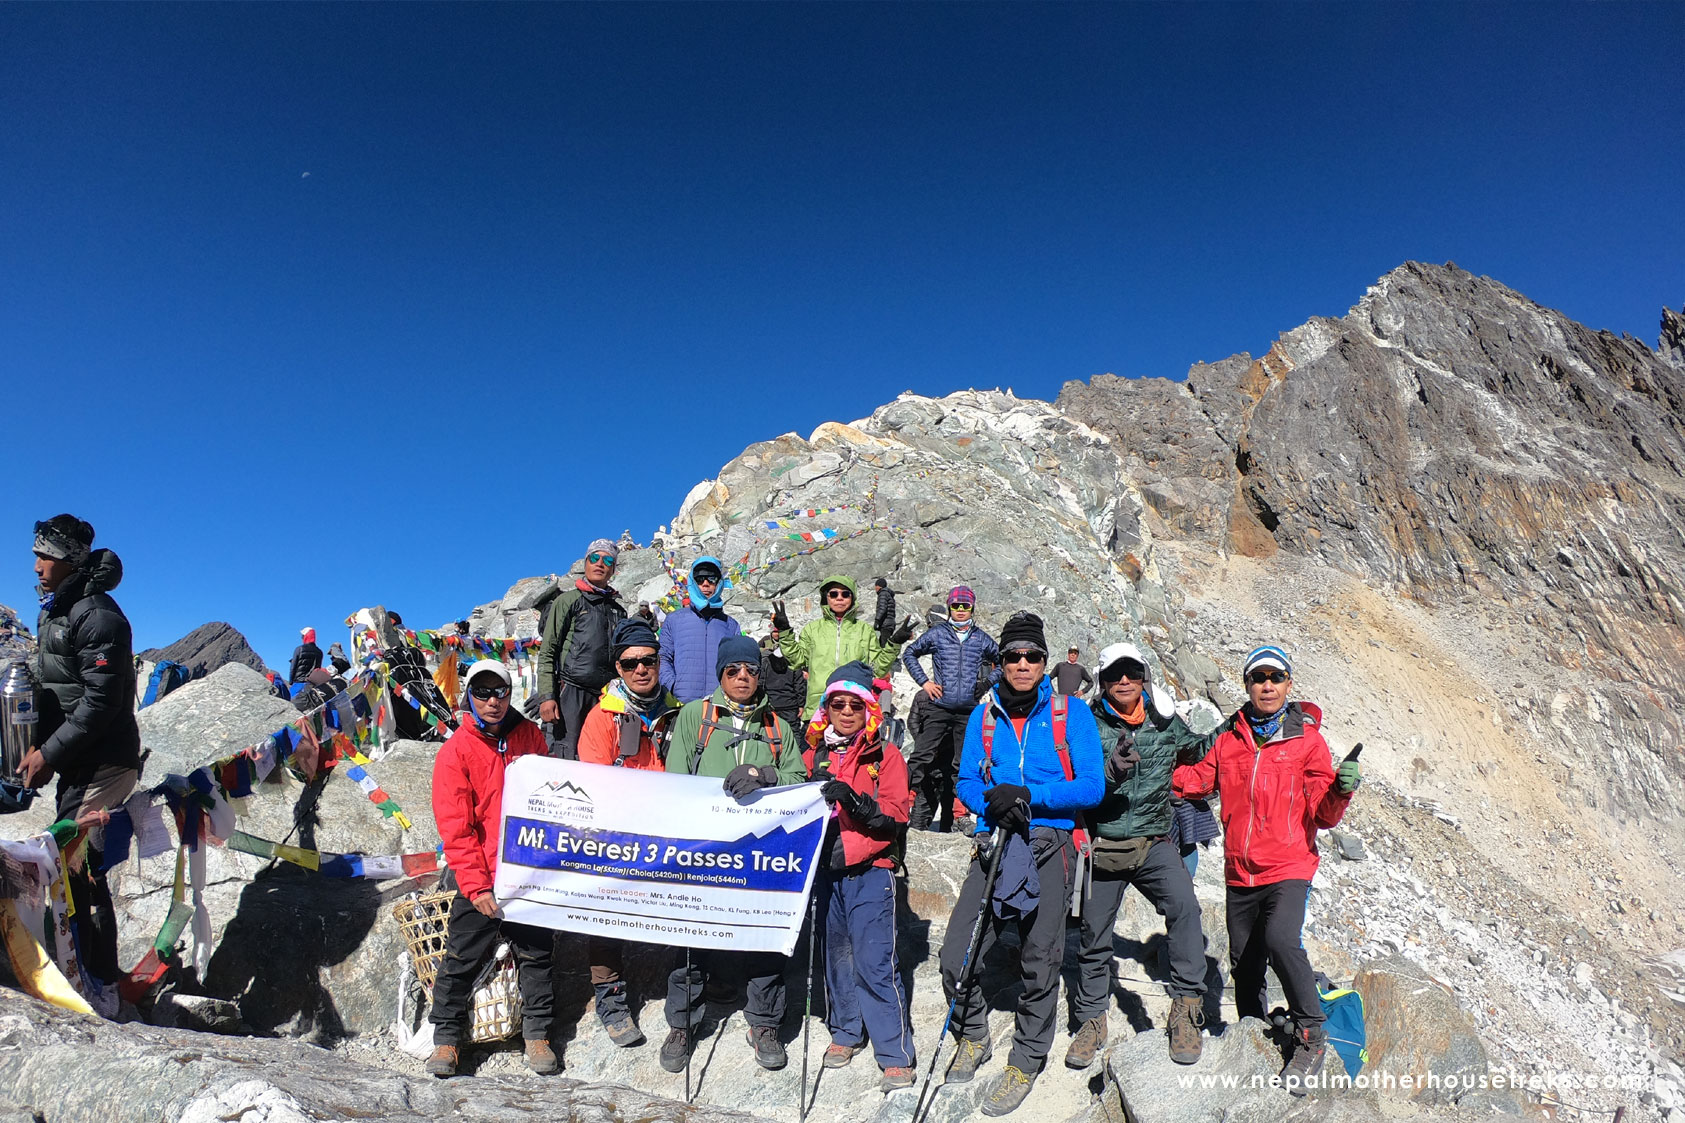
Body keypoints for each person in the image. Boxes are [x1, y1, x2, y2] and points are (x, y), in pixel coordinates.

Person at [1172, 645, 1362, 1094]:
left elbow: (1324, 814)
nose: (1267, 685)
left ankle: (1312, 1033)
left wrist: (1339, 789)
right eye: (1258, 678)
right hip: (1240, 871)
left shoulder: (1307, 742)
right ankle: (1254, 1033)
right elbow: (1197, 779)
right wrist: (1151, 770)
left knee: (1279, 939)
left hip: (1289, 864)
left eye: (1275, 677)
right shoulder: (1230, 738)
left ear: (1289, 684)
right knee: (1245, 963)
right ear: (1247, 685)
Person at [940, 612, 1103, 1116]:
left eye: (1033, 655)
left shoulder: (1069, 713)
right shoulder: (982, 716)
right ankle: (972, 1033)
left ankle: (1027, 1058)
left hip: (1050, 841)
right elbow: (964, 779)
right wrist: (991, 801)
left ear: (1044, 661)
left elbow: (1093, 787)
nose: (1023, 663)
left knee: (1041, 956)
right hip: (996, 840)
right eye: (1013, 655)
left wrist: (1029, 795)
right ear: (1001, 660)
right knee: (956, 953)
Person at [1066, 643, 1217, 1070]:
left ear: (1144, 676)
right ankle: (1091, 1020)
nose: (1124, 681)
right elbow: (1079, 786)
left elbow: (1201, 750)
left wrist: (1243, 720)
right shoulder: (1086, 723)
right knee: (1094, 937)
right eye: (1115, 674)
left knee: (1185, 908)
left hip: (1153, 843)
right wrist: (1110, 771)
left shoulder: (1163, 722)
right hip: (1102, 845)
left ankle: (1187, 1009)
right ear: (1103, 680)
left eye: (1132, 672)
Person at [661, 636, 807, 1073]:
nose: (742, 677)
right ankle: (683, 1023)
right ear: (720, 676)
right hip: (705, 848)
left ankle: (764, 1023)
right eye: (732, 671)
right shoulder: (696, 716)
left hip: (762, 852)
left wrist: (766, 774)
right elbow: (676, 778)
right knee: (693, 934)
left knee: (765, 936)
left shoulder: (777, 727)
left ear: (759, 674)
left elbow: (797, 776)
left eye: (749, 670)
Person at [21, 515, 142, 1000]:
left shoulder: (97, 615)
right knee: (75, 867)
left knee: (76, 868)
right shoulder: (57, 611)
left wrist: (49, 751)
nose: (36, 565)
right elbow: (58, 690)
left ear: (70, 559)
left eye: (45, 555)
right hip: (79, 759)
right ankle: (92, 974)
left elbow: (100, 702)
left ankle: (99, 982)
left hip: (107, 761)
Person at [426, 659, 558, 1077]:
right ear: (469, 696)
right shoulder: (455, 752)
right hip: (481, 874)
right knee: (460, 956)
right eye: (482, 693)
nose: (492, 701)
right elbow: (456, 827)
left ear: (509, 693)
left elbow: (550, 801)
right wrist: (476, 886)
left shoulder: (530, 736)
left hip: (526, 871)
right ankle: (446, 1040)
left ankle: (538, 1035)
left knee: (537, 955)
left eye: (499, 691)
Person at [803, 661, 916, 1092]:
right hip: (827, 873)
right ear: (826, 708)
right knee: (836, 956)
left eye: (856, 704)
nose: (846, 711)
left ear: (870, 709)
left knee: (874, 960)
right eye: (838, 704)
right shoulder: (815, 753)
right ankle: (846, 1032)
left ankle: (894, 1052)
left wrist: (855, 801)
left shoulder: (884, 756)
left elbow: (895, 817)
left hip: (872, 870)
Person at [575, 618, 683, 1047]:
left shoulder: (679, 710)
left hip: (669, 828)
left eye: (649, 660)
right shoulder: (602, 718)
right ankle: (611, 999)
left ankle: (685, 992)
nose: (641, 669)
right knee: (607, 913)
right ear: (618, 668)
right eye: (631, 662)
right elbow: (593, 781)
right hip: (619, 832)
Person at [900, 586, 1000, 833]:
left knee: (962, 764)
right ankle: (900, 802)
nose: (961, 610)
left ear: (972, 608)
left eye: (965, 606)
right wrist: (925, 683)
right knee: (921, 755)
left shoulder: (981, 638)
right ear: (949, 608)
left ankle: (961, 814)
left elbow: (1004, 659)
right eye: (956, 606)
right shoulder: (938, 634)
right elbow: (910, 652)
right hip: (939, 706)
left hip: (967, 710)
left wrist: (986, 683)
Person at [537, 539, 627, 758]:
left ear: (613, 569)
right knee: (564, 755)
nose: (600, 564)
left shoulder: (619, 611)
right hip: (571, 692)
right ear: (586, 563)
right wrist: (547, 696)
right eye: (594, 558)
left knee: (601, 754)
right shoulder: (568, 601)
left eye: (607, 560)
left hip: (606, 696)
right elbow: (548, 651)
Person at [773, 576, 907, 719]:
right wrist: (784, 631)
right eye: (833, 594)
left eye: (845, 594)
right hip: (817, 709)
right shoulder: (811, 630)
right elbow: (796, 660)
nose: (839, 598)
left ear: (852, 598)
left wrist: (894, 644)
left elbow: (877, 669)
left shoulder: (864, 630)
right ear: (826, 598)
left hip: (853, 710)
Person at [659, 557, 743, 703]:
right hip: (681, 704)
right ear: (692, 581)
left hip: (720, 705)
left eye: (712, 579)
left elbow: (738, 663)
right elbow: (663, 658)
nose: (705, 584)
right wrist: (672, 686)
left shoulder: (731, 625)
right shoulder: (673, 620)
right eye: (699, 579)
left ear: (719, 583)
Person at [758, 634, 806, 730]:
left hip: (771, 704)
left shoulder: (766, 662)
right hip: (790, 705)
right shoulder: (794, 663)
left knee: (771, 732)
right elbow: (799, 685)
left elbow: (761, 683)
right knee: (793, 732)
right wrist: (801, 704)